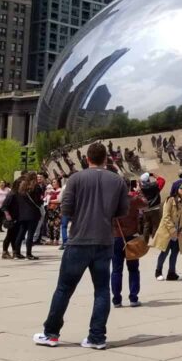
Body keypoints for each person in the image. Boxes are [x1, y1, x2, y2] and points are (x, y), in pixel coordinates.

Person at [33, 143, 130, 349]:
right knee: (102, 290)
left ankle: (51, 333)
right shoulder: (118, 180)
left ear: (87, 159)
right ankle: (97, 337)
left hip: (79, 240)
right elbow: (123, 211)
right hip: (104, 241)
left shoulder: (76, 179)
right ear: (106, 159)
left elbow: (66, 208)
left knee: (64, 289)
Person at [112, 183, 145, 308]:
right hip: (131, 236)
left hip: (115, 236)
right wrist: (139, 191)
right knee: (133, 269)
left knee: (116, 270)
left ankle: (116, 300)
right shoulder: (134, 199)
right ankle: (133, 298)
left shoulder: (111, 201)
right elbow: (146, 203)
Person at [153, 179, 182, 282]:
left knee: (175, 253)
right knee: (164, 252)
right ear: (177, 189)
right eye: (181, 188)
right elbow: (166, 216)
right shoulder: (170, 200)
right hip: (168, 232)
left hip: (178, 234)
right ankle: (158, 271)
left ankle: (171, 273)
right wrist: (172, 230)